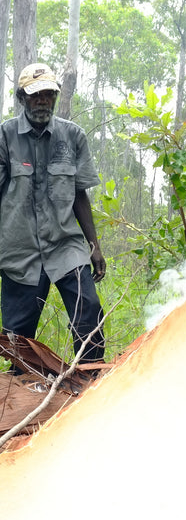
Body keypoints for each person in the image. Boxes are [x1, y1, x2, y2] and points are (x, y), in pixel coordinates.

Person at [0, 63, 106, 369]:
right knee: (18, 338)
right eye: (35, 95)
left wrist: (94, 245)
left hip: (65, 246)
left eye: (48, 94)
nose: (42, 100)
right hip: (20, 252)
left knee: (89, 311)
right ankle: (24, 393)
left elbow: (79, 194)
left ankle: (88, 381)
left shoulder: (72, 136)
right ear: (22, 98)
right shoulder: (5, 137)